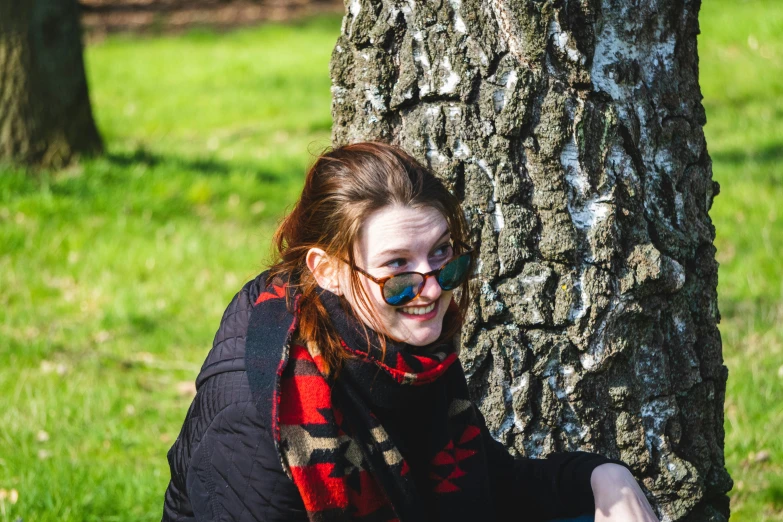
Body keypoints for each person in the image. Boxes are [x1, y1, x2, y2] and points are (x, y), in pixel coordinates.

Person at [162, 142, 659, 522]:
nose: (430, 288)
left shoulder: (399, 350)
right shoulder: (258, 418)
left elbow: (492, 485)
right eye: (397, 266)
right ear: (329, 270)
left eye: (442, 253)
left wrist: (602, 476)